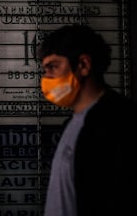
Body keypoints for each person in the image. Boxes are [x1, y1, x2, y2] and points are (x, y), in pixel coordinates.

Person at [39, 24, 136, 216]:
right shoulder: (71, 125)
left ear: (83, 65)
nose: (46, 78)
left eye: (53, 67)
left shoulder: (120, 122)